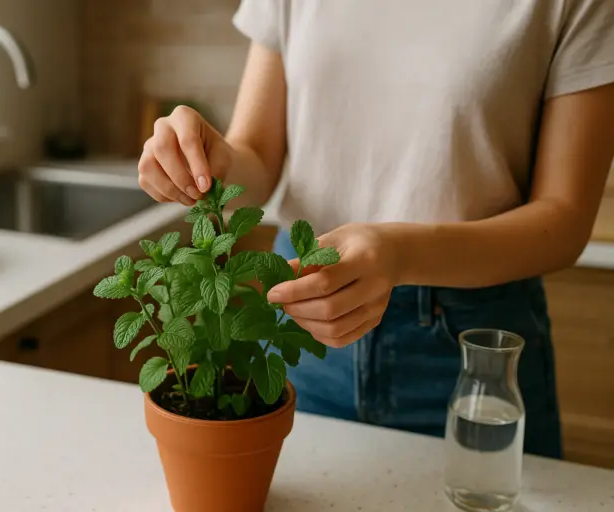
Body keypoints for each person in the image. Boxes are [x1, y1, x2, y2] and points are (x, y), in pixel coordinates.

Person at [135, 0, 614, 459]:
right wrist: (211, 163)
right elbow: (256, 158)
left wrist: (399, 254)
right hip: (299, 323)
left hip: (472, 345)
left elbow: (564, 219)